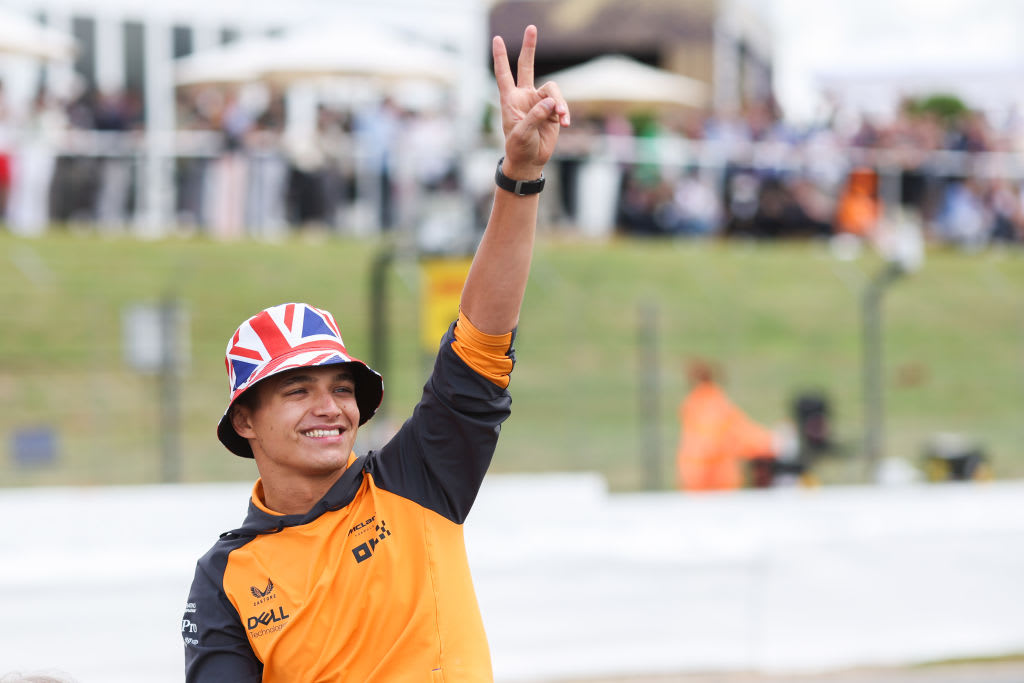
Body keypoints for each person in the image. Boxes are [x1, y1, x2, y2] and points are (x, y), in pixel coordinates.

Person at [181, 25, 569, 682]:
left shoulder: (418, 477)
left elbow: (481, 338)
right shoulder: (224, 579)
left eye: (341, 386)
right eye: (297, 389)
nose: (330, 406)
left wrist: (521, 176)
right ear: (244, 419)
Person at [676, 360, 776, 492]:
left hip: (696, 475)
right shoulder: (716, 404)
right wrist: (769, 443)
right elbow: (744, 434)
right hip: (719, 476)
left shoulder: (695, 404)